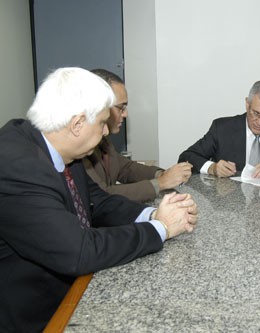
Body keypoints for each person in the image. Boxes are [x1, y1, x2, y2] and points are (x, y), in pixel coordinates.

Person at [0, 67, 198, 332]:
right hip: (37, 314)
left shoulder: (61, 147)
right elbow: (78, 251)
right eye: (103, 123)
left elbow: (98, 202)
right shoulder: (17, 165)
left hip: (71, 291)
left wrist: (152, 215)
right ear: (78, 123)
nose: (106, 132)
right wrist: (159, 229)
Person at [83, 69, 192, 202]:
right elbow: (102, 194)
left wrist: (162, 174)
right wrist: (161, 183)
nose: (125, 114)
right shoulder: (80, 148)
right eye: (121, 108)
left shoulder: (103, 140)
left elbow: (126, 168)